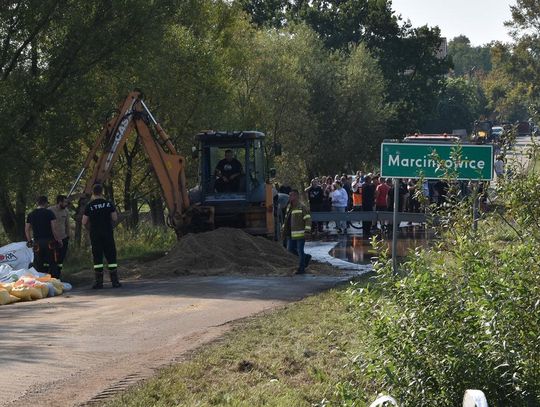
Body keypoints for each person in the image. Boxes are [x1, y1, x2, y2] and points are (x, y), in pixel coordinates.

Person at [82, 184, 121, 289]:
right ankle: (115, 281)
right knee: (111, 256)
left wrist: (90, 228)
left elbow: (84, 221)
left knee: (97, 257)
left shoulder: (90, 206)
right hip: (107, 233)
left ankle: (99, 282)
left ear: (93, 193)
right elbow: (114, 218)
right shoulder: (108, 204)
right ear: (102, 191)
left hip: (95, 235)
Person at [25, 196, 63, 277]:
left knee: (38, 264)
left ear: (37, 203)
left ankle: (40, 282)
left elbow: (27, 229)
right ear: (45, 203)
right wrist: (59, 240)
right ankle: (54, 281)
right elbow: (54, 228)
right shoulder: (49, 213)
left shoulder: (31, 214)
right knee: (52, 263)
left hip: (37, 243)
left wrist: (29, 241)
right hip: (49, 242)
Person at [282, 189, 312, 274]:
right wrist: (283, 228)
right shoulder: (289, 207)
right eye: (290, 195)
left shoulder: (302, 207)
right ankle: (306, 258)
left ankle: (301, 269)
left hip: (300, 234)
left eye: (292, 195)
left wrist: (307, 231)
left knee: (300, 250)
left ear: (297, 196)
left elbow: (308, 220)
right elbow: (286, 220)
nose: (290, 197)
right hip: (290, 234)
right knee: (290, 250)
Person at [49, 194, 70, 277]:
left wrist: (68, 235)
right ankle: (51, 274)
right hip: (52, 238)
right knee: (52, 258)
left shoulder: (66, 211)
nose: (66, 204)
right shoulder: (50, 210)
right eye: (65, 202)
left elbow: (67, 225)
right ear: (60, 202)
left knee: (61, 258)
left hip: (63, 237)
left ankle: (58, 274)